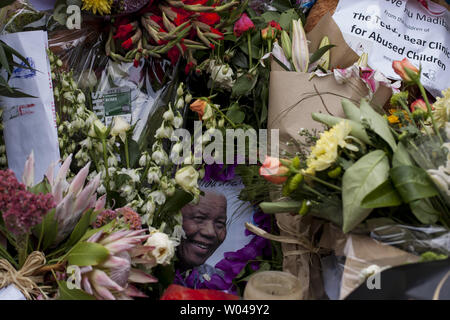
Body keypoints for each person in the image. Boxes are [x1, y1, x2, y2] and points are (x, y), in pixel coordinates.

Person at [177, 191, 227, 272]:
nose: (211, 232)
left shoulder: (219, 280)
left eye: (220, 223)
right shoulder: (149, 276)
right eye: (199, 218)